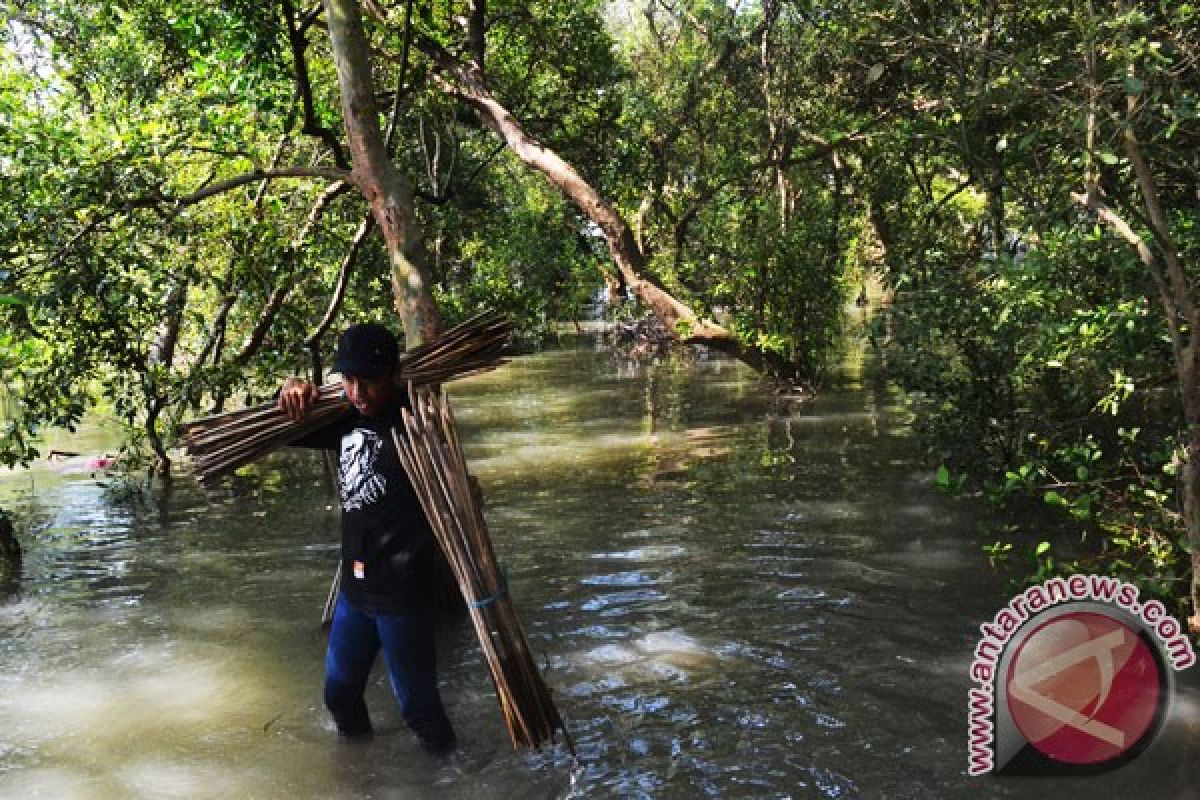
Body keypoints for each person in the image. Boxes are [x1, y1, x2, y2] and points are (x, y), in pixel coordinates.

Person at [278, 322, 456, 755]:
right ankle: (360, 772)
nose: (358, 392)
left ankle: (451, 777)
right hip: (355, 594)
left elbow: (456, 495)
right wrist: (290, 387)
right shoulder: (340, 420)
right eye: (349, 380)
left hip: (403, 594)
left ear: (394, 375)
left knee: (419, 710)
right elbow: (287, 422)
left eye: (369, 381)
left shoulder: (415, 424)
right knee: (339, 696)